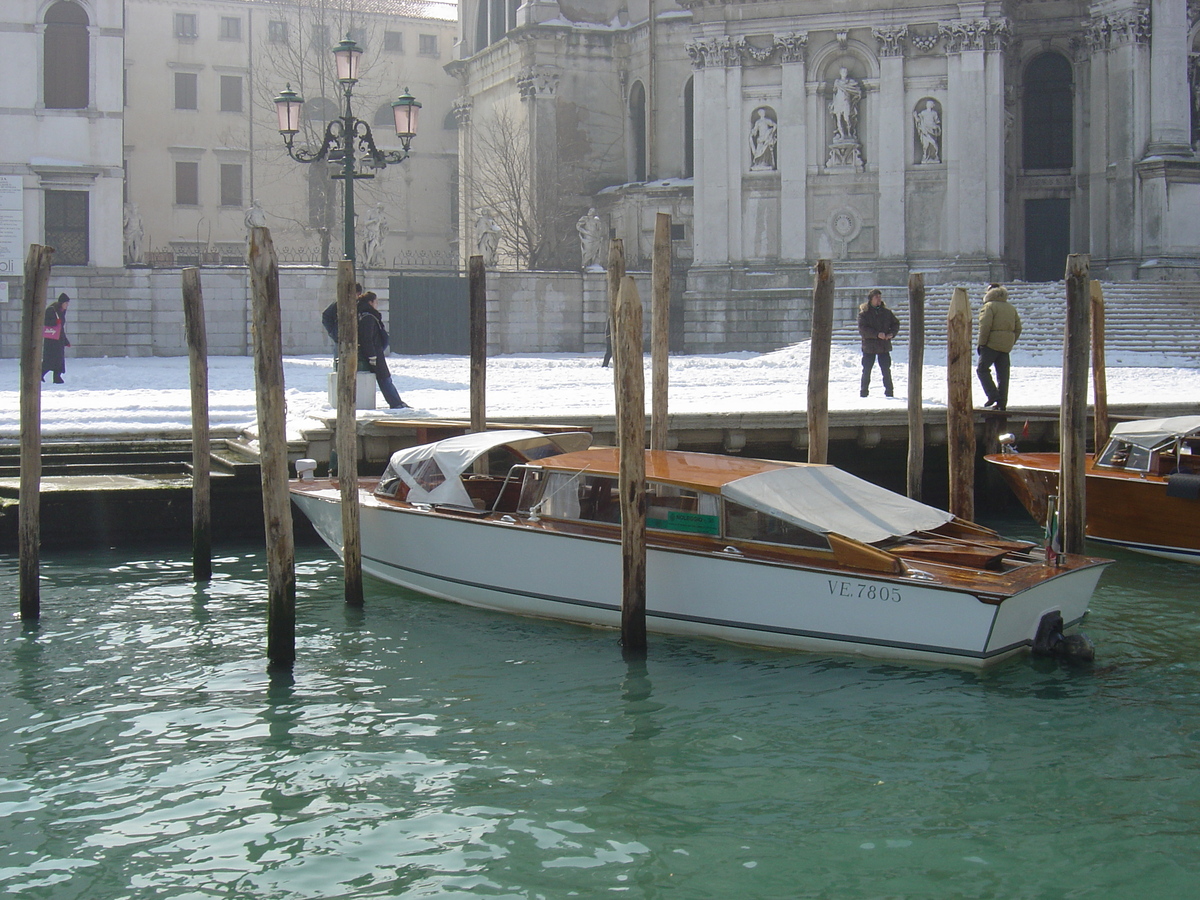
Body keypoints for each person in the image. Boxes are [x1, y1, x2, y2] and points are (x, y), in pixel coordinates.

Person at [357, 291, 409, 409]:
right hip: (374, 353)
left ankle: (396, 402)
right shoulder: (368, 317)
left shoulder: (367, 315)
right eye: (376, 301)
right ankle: (396, 402)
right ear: (370, 302)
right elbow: (367, 338)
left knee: (385, 378)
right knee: (385, 379)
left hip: (375, 351)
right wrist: (372, 355)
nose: (377, 304)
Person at [976, 283, 1022, 411]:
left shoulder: (989, 306)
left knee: (982, 370)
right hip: (1005, 347)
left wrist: (982, 344)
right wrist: (1010, 341)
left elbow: (984, 327)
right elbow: (1018, 328)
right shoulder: (1011, 308)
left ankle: (992, 394)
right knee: (1003, 375)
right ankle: (1002, 403)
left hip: (990, 345)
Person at [857, 288, 899, 398]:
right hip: (869, 347)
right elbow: (863, 329)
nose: (879, 299)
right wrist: (876, 334)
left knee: (886, 370)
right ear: (871, 299)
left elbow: (895, 324)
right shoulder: (864, 314)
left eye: (880, 297)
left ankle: (889, 392)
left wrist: (891, 334)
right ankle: (864, 392)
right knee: (867, 370)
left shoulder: (886, 312)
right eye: (876, 297)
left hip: (883, 346)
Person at [42, 293, 72, 384]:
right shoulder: (52, 310)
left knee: (59, 360)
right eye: (66, 303)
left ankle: (57, 377)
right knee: (50, 359)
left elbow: (61, 328)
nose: (67, 305)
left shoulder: (62, 311)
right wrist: (55, 321)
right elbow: (46, 322)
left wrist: (65, 341)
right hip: (51, 340)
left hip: (59, 340)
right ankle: (40, 373)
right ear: (61, 303)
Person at [914, 99, 941, 164]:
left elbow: (937, 121)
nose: (929, 105)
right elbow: (919, 120)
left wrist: (937, 127)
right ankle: (925, 156)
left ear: (932, 106)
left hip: (932, 130)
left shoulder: (934, 113)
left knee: (933, 144)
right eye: (928, 104)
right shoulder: (923, 113)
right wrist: (915, 116)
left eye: (930, 104)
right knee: (926, 145)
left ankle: (934, 157)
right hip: (925, 130)